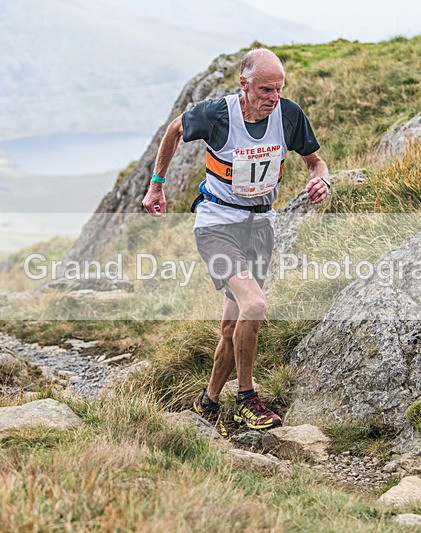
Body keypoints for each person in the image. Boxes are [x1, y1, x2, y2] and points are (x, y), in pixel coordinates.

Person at [142, 48, 330, 434]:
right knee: (255, 304)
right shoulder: (217, 114)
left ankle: (209, 401)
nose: (273, 98)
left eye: (279, 89)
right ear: (244, 85)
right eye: (265, 90)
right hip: (217, 224)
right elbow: (175, 129)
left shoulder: (288, 115)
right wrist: (156, 186)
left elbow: (315, 161)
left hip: (260, 227)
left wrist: (321, 179)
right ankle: (246, 399)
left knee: (232, 327)